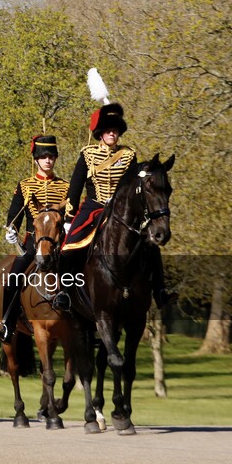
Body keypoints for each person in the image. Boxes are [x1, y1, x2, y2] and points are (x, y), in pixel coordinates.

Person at [52, 104, 173, 312]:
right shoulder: (87, 155)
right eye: (108, 129)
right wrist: (69, 217)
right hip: (93, 207)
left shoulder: (128, 155)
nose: (112, 133)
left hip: (121, 210)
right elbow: (75, 187)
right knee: (68, 247)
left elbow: (136, 183)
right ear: (100, 133)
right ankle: (63, 291)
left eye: (115, 130)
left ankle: (160, 291)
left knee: (150, 244)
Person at [0, 136, 70, 342]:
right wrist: (12, 229)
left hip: (59, 243)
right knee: (14, 276)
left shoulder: (65, 186)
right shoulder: (25, 185)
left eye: (51, 156)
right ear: (36, 159)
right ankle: (7, 324)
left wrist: (69, 222)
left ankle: (86, 324)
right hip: (32, 241)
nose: (47, 160)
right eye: (43, 156)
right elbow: (14, 213)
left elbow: (72, 211)